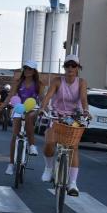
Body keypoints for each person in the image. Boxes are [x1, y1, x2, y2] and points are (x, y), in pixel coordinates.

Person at [38, 54, 89, 196]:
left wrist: (85, 111)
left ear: (78, 68)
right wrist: (42, 108)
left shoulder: (81, 82)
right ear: (64, 67)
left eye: (73, 65)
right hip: (56, 115)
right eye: (67, 65)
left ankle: (73, 183)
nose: (70, 68)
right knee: (49, 142)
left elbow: (84, 98)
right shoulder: (57, 81)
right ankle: (48, 168)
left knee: (73, 147)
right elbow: (48, 96)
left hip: (74, 116)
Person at [3, 60, 41, 175]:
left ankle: (32, 145)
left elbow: (43, 97)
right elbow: (11, 95)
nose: (27, 71)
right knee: (15, 135)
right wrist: (2, 107)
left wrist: (43, 109)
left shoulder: (39, 83)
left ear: (34, 71)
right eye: (25, 68)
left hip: (32, 108)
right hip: (19, 107)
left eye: (30, 69)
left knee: (29, 118)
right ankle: (10, 164)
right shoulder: (18, 82)